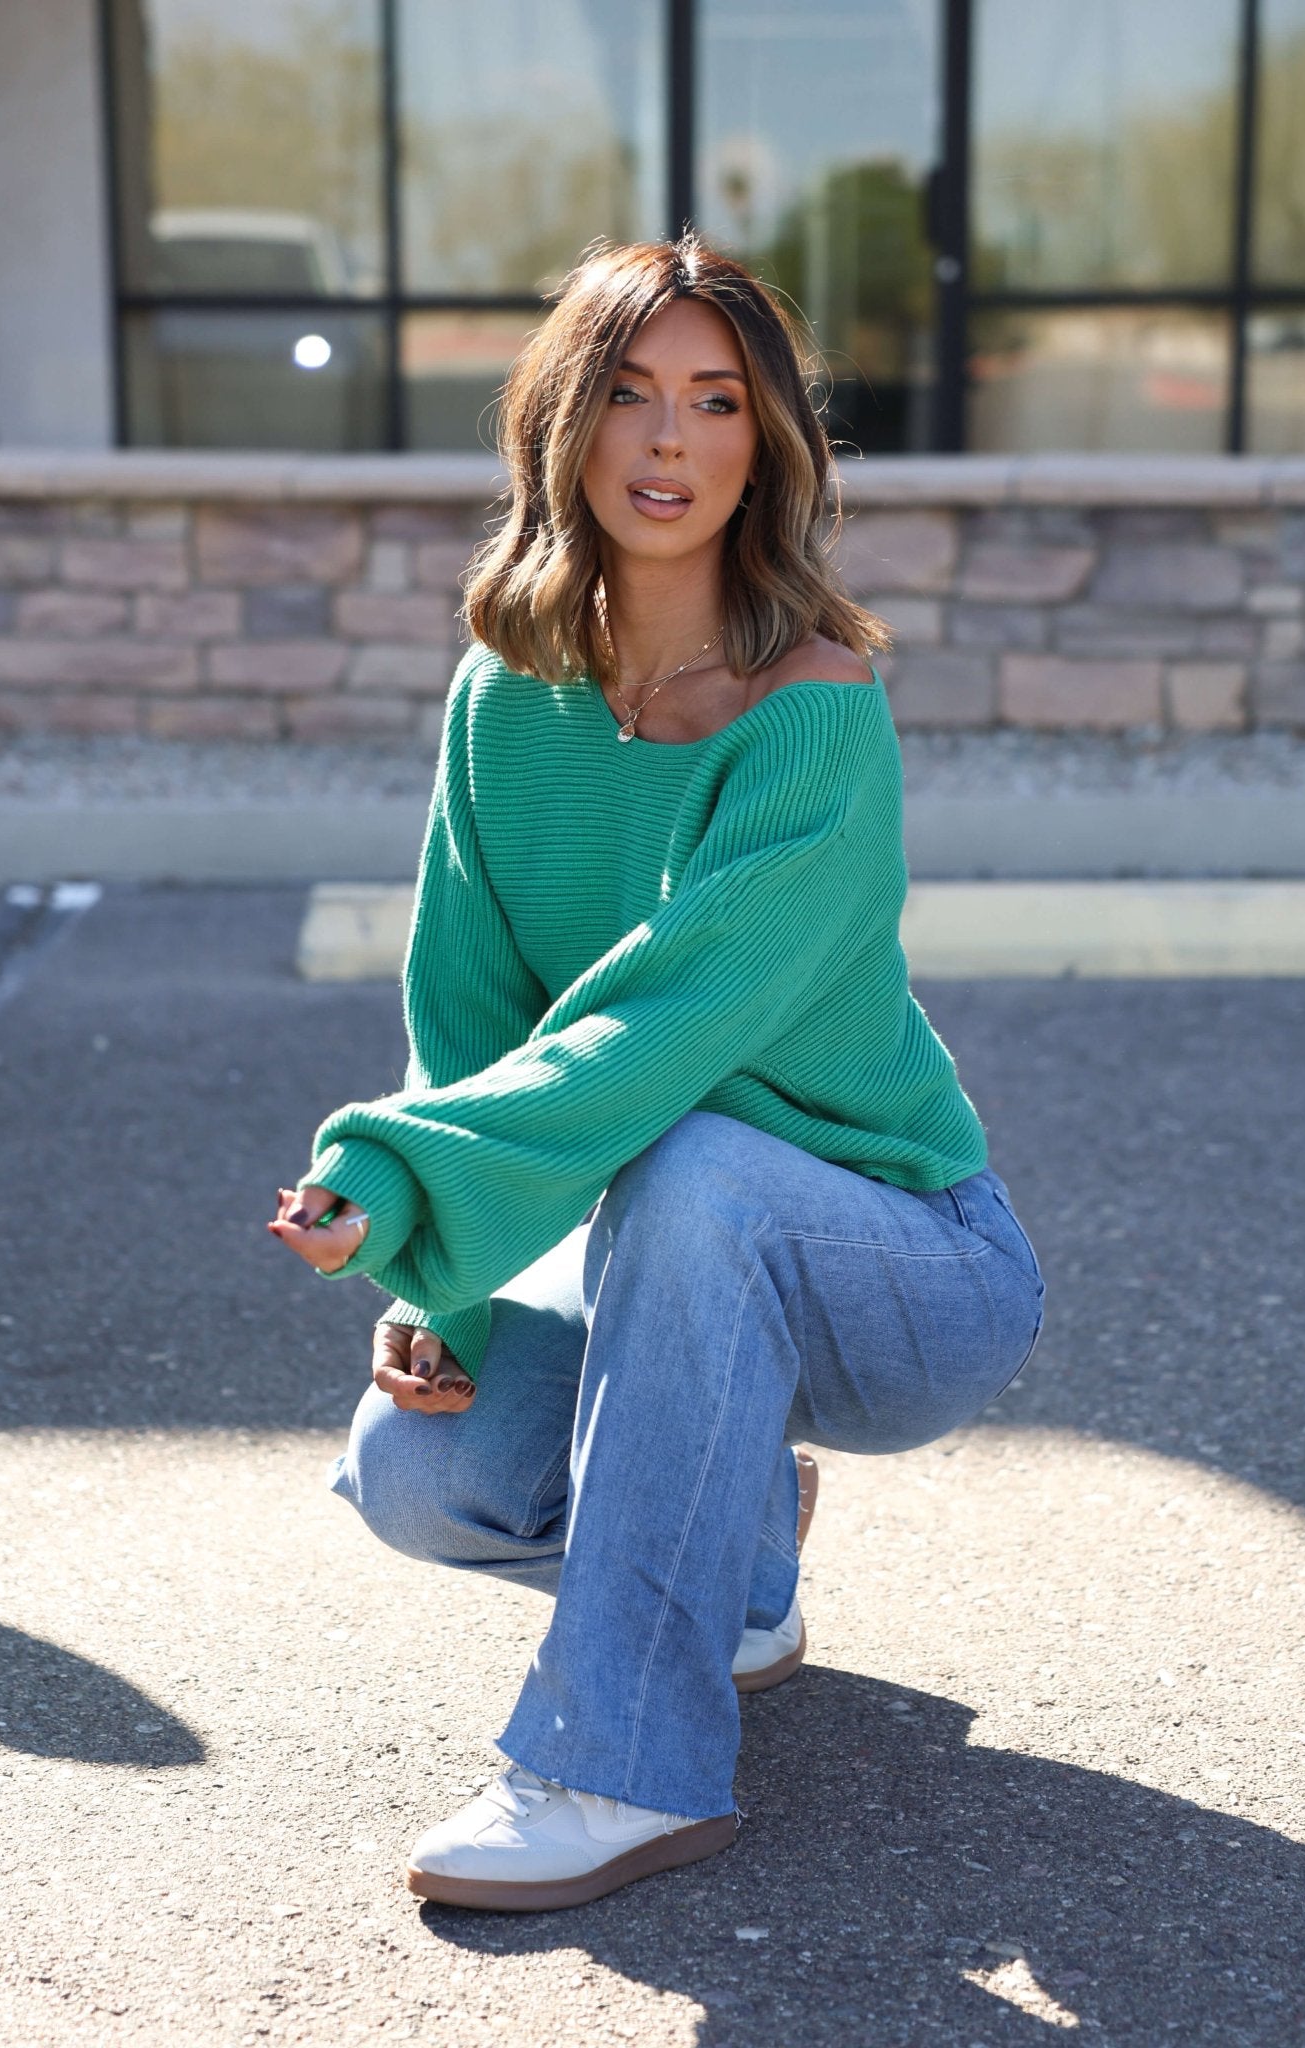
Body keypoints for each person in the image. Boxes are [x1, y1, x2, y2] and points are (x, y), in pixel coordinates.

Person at [269, 234, 1046, 1914]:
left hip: (907, 1270)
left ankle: (622, 1764)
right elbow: (468, 1021)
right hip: (674, 1254)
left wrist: (399, 1172)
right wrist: (434, 1283)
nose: (669, 440)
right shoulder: (504, 700)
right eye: (628, 394)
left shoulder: (815, 713)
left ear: (766, 443)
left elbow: (655, 1030)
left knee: (691, 1153)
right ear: (565, 423)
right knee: (424, 1478)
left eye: (715, 400)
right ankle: (737, 1560)